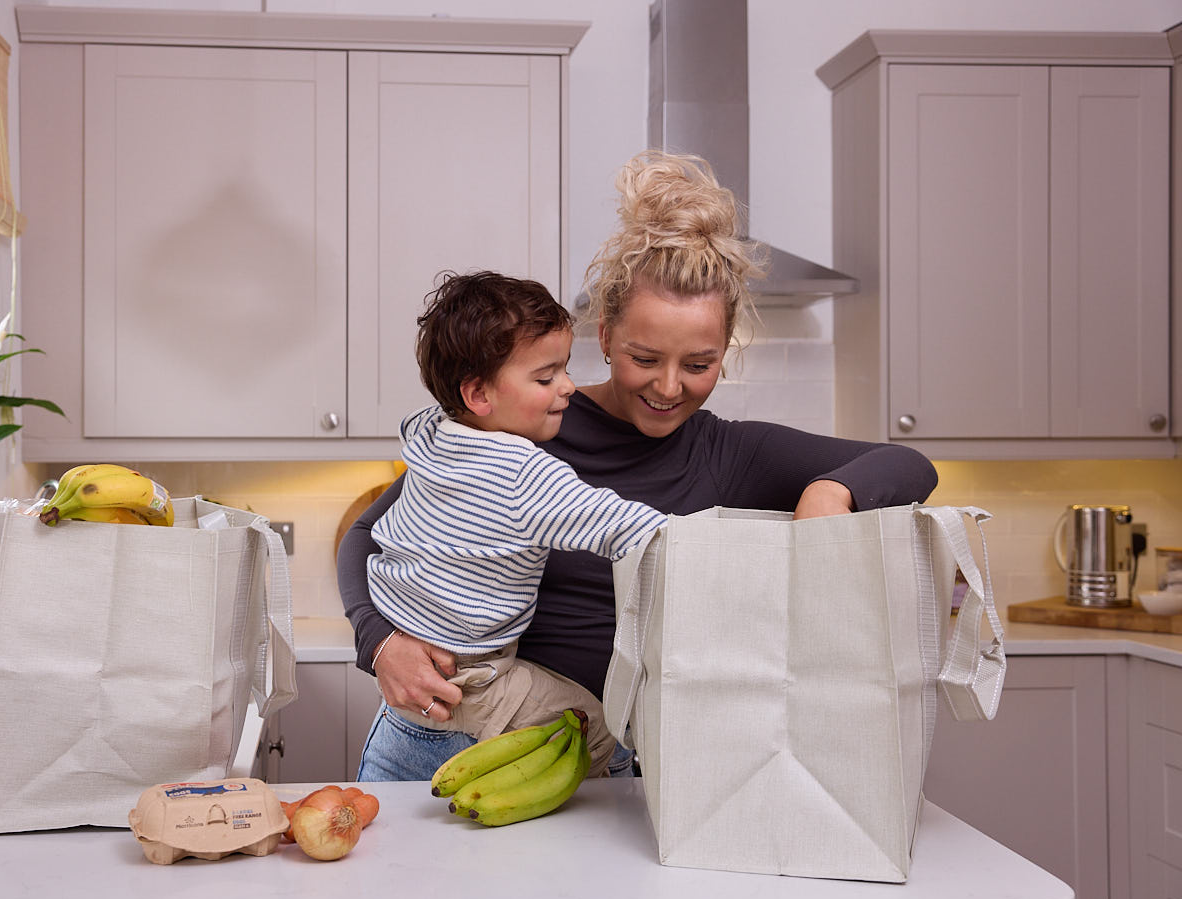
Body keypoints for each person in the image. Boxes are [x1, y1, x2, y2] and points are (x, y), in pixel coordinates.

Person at [339, 150, 939, 781]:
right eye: (645, 358)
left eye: (699, 364)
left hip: (609, 771)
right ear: (605, 338)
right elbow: (367, 534)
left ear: (724, 352)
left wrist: (829, 492)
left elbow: (906, 463)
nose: (670, 387)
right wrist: (378, 641)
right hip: (468, 731)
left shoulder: (731, 452)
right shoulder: (523, 426)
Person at [367, 271, 667, 775]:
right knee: (604, 729)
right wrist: (706, 537)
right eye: (546, 378)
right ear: (479, 396)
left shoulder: (430, 429)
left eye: (564, 370)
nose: (568, 387)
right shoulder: (523, 474)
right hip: (470, 681)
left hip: (406, 669)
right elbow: (624, 527)